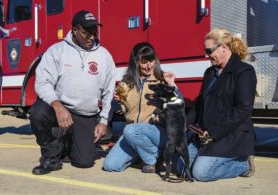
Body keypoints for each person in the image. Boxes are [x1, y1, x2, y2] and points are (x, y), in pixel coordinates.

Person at [29, 10, 116, 175]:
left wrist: (103, 120)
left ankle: (66, 141)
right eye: (86, 32)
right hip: (61, 108)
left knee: (83, 162)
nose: (92, 36)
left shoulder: (104, 56)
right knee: (37, 112)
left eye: (94, 32)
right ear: (75, 30)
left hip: (86, 113)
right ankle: (50, 158)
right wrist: (57, 105)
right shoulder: (57, 51)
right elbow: (42, 82)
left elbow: (109, 91)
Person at [177, 28, 257, 181]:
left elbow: (243, 109)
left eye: (209, 50)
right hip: (206, 134)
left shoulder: (244, 71)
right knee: (181, 167)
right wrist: (184, 125)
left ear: (224, 48)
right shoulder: (209, 73)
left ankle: (244, 164)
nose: (206, 55)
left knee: (201, 173)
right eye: (205, 50)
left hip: (231, 134)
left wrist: (213, 132)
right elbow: (200, 104)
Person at [102, 42, 181, 173]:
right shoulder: (126, 82)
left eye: (151, 60)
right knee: (111, 165)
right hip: (134, 134)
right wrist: (116, 102)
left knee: (129, 130)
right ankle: (142, 153)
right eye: (144, 62)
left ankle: (153, 159)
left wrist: (172, 86)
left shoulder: (162, 79)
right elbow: (119, 110)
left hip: (158, 132)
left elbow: (178, 105)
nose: (149, 65)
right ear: (136, 62)